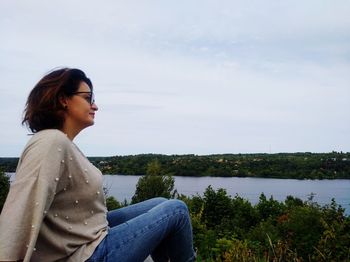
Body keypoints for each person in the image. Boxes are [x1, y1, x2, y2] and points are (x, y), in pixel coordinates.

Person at [0, 68, 196, 262]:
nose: (95, 106)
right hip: (85, 255)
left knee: (160, 203)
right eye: (87, 98)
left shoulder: (63, 142)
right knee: (177, 210)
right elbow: (20, 209)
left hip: (87, 236)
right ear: (63, 99)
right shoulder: (50, 143)